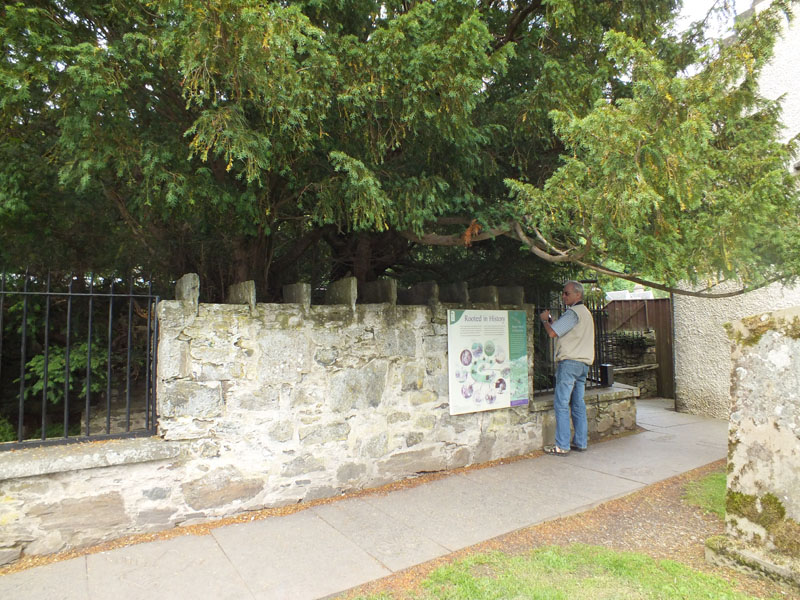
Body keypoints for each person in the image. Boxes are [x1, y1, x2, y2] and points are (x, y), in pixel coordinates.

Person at [539, 281, 595, 456]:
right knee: (578, 404)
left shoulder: (573, 313)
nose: (563, 296)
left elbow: (552, 333)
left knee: (562, 404)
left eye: (566, 293)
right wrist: (551, 321)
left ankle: (562, 445)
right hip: (583, 364)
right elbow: (561, 329)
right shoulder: (586, 313)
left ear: (578, 295)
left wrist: (544, 321)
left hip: (569, 363)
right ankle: (581, 442)